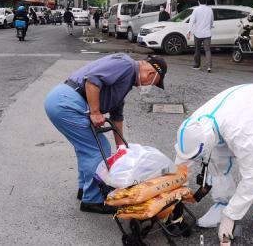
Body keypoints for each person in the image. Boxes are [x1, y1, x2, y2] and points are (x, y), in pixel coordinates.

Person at [44, 54, 168, 214]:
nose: (148, 86)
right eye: (153, 83)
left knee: (86, 149)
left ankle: (84, 190)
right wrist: (95, 112)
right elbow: (93, 80)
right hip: (67, 102)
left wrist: (121, 147)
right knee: (98, 148)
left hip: (63, 101)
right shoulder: (126, 64)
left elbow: (117, 116)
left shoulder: (126, 81)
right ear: (151, 73)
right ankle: (93, 201)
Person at [174, 84, 253, 242]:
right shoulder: (194, 126)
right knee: (216, 163)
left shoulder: (242, 134)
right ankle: (223, 202)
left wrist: (231, 217)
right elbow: (184, 159)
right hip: (240, 106)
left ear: (209, 140)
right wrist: (173, 186)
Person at [187, 0, 213, 72]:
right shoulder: (210, 10)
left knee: (197, 50)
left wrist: (188, 31)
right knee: (208, 50)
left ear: (199, 2)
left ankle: (197, 65)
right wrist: (209, 27)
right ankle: (209, 67)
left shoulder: (196, 10)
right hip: (207, 33)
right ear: (206, 2)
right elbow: (211, 21)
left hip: (198, 33)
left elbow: (191, 21)